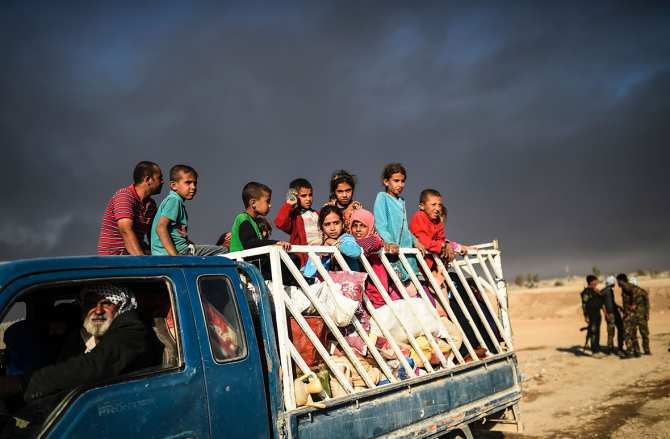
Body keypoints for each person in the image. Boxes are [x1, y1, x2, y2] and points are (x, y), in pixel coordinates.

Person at [0, 284, 160, 403]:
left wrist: (24, 383)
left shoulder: (132, 332)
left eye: (106, 303)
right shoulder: (79, 335)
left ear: (119, 307)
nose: (98, 310)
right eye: (91, 303)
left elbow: (95, 365)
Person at [151, 165, 227, 256]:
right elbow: (160, 228)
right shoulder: (174, 200)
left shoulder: (175, 201)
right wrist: (175, 257)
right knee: (224, 251)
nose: (193, 187)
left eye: (195, 183)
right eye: (188, 182)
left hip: (178, 250)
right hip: (178, 252)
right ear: (174, 185)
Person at [97, 161, 163, 255]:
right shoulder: (124, 196)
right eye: (159, 178)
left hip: (134, 253)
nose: (162, 181)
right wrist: (142, 260)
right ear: (148, 179)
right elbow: (125, 230)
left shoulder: (151, 204)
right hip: (115, 256)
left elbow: (152, 235)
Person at [373, 163, 425, 282]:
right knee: (400, 285)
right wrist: (390, 242)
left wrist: (415, 241)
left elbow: (404, 228)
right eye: (396, 181)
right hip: (393, 252)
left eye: (402, 181)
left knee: (415, 284)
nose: (400, 185)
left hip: (406, 251)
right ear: (386, 182)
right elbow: (380, 224)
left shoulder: (402, 201)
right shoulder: (382, 197)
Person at [350, 208, 401, 308]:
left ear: (370, 227)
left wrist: (342, 244)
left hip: (377, 297)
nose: (358, 229)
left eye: (363, 226)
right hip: (363, 297)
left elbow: (369, 244)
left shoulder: (374, 239)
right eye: (355, 225)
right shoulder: (349, 241)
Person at [409, 189, 467, 274]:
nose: (437, 208)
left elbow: (441, 239)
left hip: (433, 263)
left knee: (446, 279)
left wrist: (446, 245)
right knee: (440, 279)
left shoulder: (437, 221)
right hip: (419, 265)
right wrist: (442, 246)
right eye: (433, 204)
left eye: (439, 205)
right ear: (422, 206)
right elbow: (423, 240)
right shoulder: (419, 216)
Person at [303, 205, 361, 277]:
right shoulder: (322, 245)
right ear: (321, 227)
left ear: (343, 223)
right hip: (329, 282)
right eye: (327, 224)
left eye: (336, 223)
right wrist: (321, 253)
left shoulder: (346, 239)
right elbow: (308, 273)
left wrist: (334, 243)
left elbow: (355, 252)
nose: (332, 228)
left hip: (350, 282)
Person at [274, 178, 320, 267]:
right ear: (295, 196)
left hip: (321, 256)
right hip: (304, 261)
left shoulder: (318, 214)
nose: (308, 199)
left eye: (310, 195)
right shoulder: (294, 216)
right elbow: (280, 222)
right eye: (303, 196)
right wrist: (289, 204)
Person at [616, 273, 651, 357]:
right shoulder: (627, 288)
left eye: (618, 281)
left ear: (621, 281)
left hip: (635, 314)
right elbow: (645, 297)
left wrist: (633, 303)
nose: (617, 283)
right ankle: (638, 351)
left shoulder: (628, 286)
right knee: (635, 333)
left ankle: (633, 351)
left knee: (632, 333)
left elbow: (634, 292)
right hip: (634, 314)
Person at [580, 275, 604, 356]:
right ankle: (594, 351)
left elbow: (601, 301)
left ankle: (597, 348)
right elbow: (584, 304)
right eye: (595, 281)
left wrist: (599, 293)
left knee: (597, 332)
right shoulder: (586, 292)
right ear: (591, 282)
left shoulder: (595, 291)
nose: (597, 283)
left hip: (597, 314)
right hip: (591, 315)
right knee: (593, 332)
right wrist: (586, 316)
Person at [601, 275, 624, 354]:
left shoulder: (609, 290)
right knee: (611, 331)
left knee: (617, 329)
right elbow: (602, 304)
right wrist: (606, 314)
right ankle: (611, 348)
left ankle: (615, 348)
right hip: (610, 314)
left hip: (615, 313)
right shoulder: (605, 291)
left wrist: (618, 307)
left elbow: (611, 302)